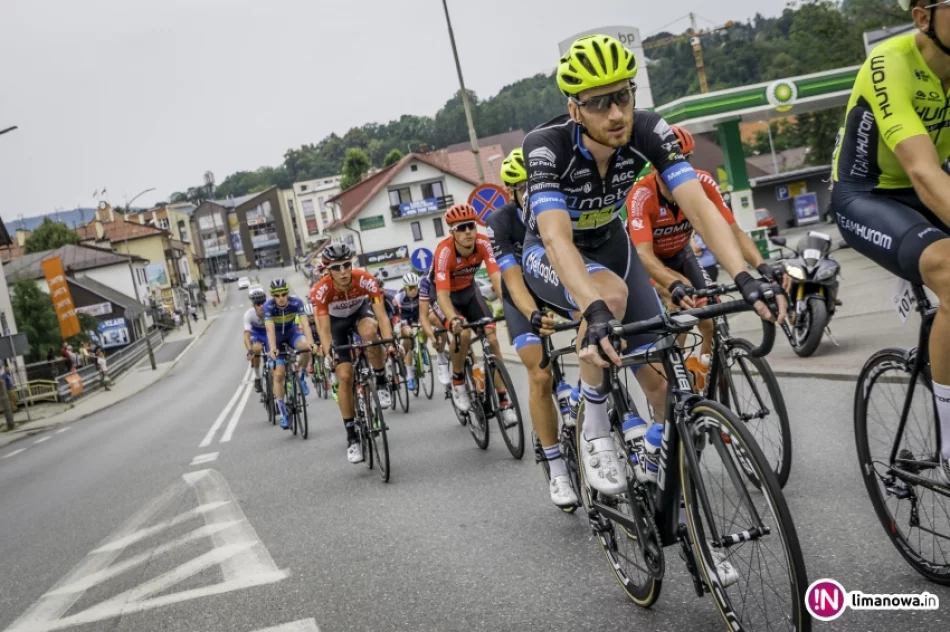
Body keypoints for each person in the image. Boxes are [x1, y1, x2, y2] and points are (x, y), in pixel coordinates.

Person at [521, 34, 784, 493]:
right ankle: (595, 428)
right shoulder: (547, 146)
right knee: (609, 297)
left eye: (622, 97)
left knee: (662, 385)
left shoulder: (648, 129)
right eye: (599, 103)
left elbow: (700, 209)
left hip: (610, 243)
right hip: (551, 252)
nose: (616, 114)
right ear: (574, 110)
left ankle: (671, 498)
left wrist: (744, 276)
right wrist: (593, 309)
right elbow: (555, 236)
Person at [832, 0, 950, 481]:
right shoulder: (890, 62)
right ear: (924, 17)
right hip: (869, 194)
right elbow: (922, 172)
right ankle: (949, 444)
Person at [626, 124, 782, 388]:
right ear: (655, 167)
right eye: (669, 166)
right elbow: (642, 253)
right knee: (682, 308)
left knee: (708, 317)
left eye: (685, 162)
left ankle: (706, 373)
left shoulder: (703, 182)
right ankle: (675, 381)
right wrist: (671, 285)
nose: (678, 172)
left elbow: (733, 231)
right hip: (649, 261)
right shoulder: (642, 194)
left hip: (681, 253)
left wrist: (762, 266)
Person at [488, 147, 576, 507]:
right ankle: (556, 468)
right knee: (540, 374)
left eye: (534, 184)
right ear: (512, 191)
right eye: (522, 187)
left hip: (555, 287)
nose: (530, 193)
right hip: (522, 298)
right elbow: (511, 278)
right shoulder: (501, 222)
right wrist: (533, 313)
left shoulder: (558, 205)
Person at [311, 243, 398, 464]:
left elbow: (382, 316)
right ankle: (352, 437)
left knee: (371, 332)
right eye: (337, 267)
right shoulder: (321, 290)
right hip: (336, 324)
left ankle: (379, 380)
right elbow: (322, 328)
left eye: (347, 265)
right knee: (345, 376)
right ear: (328, 270)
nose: (343, 271)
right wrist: (329, 354)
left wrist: (388, 344)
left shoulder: (365, 279)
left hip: (360, 312)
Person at [433, 203, 517, 426]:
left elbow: (496, 278)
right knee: (462, 336)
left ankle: (504, 401)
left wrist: (508, 305)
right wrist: (453, 319)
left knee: (492, 337)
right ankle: (458, 380)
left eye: (471, 226)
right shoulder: (444, 252)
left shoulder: (482, 243)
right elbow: (441, 295)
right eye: (461, 228)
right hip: (446, 296)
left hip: (470, 293)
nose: (468, 231)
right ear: (452, 231)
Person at [263, 278, 316, 430]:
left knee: (305, 347)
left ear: (288, 293)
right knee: (279, 375)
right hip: (276, 339)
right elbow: (270, 330)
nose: (281, 298)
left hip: (292, 333)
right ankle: (283, 414)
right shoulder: (268, 307)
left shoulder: (296, 303)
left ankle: (301, 377)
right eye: (277, 295)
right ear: (273, 296)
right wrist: (273, 348)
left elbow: (305, 324)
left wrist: (311, 342)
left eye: (284, 294)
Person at [418, 265, 450, 385]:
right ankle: (441, 357)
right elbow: (423, 315)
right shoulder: (426, 281)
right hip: (431, 303)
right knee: (439, 321)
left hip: (447, 298)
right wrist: (432, 337)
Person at [393, 272, 422, 391]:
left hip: (416, 315)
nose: (413, 290)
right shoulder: (399, 297)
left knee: (425, 327)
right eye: (410, 288)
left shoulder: (421, 294)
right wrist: (403, 327)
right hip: (404, 318)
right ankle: (410, 376)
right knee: (408, 341)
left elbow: (426, 308)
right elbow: (397, 315)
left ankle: (423, 348)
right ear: (405, 288)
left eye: (415, 287)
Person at [244, 288, 268, 393]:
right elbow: (246, 335)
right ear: (253, 305)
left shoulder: (270, 310)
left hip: (268, 333)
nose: (261, 306)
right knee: (257, 349)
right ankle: (257, 377)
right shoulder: (249, 315)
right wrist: (250, 350)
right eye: (258, 304)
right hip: (256, 334)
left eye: (263, 302)